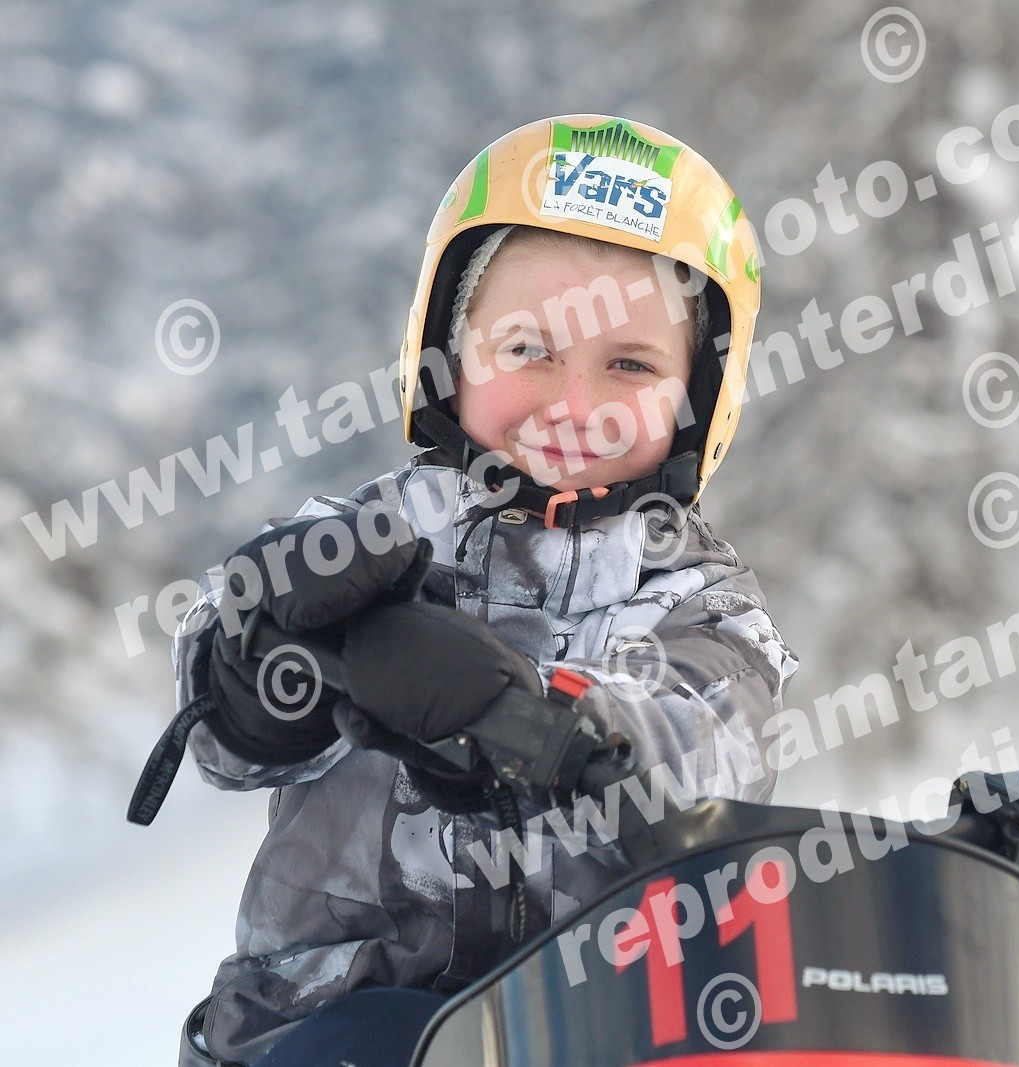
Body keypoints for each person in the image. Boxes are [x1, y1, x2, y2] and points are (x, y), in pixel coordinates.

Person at [156, 114, 797, 1066]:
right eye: (529, 348)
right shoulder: (360, 544)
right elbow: (215, 736)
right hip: (327, 1027)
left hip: (596, 1034)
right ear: (450, 354)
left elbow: (705, 751)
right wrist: (253, 669)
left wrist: (530, 718)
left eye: (629, 364)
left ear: (696, 398)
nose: (572, 405)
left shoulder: (701, 600)